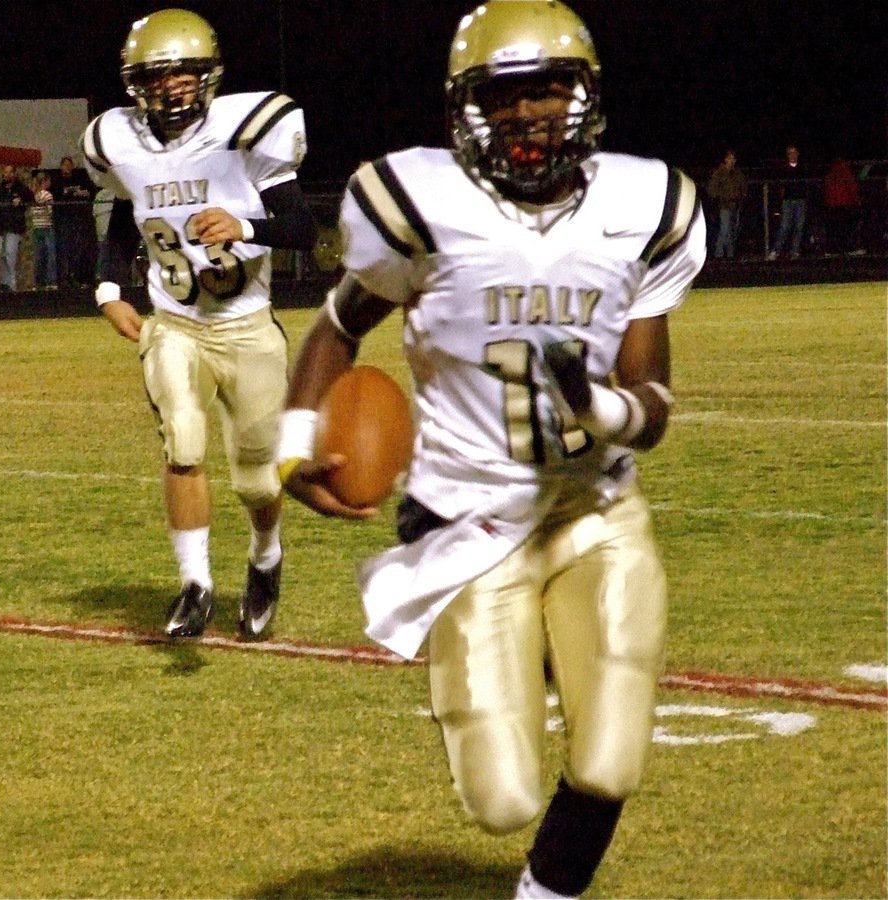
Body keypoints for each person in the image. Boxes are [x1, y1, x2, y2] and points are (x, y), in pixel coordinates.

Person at [275, 3, 705, 898]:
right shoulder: (420, 204)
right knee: (501, 796)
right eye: (504, 95)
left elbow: (655, 404)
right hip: (466, 519)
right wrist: (293, 444)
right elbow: (336, 325)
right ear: (465, 108)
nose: (528, 114)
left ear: (585, 96)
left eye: (549, 90)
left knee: (611, 758)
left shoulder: (645, 204)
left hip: (595, 510)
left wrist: (605, 410)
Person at [84, 8, 317, 640]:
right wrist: (108, 288)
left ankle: (265, 555)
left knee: (256, 479)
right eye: (157, 78)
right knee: (183, 445)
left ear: (207, 76)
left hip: (246, 326)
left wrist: (245, 228)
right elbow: (120, 217)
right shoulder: (119, 140)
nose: (171, 89)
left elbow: (304, 229)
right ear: (138, 86)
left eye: (183, 76)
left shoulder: (249, 130)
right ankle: (195, 583)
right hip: (176, 323)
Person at [49, 155, 94, 288]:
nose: (67, 168)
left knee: (77, 250)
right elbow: (57, 195)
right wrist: (70, 192)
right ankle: (63, 278)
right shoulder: (57, 181)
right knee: (63, 249)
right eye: (65, 165)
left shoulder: (80, 179)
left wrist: (81, 193)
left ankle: (77, 276)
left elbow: (89, 192)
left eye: (69, 165)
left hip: (78, 220)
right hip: (62, 219)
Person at [0, 164, 32, 291]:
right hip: (0, 230)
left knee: (10, 255)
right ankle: (4, 283)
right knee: (2, 256)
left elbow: (30, 198)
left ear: (14, 174)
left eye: (9, 172)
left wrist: (21, 201)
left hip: (14, 228)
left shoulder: (21, 188)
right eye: (5, 172)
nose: (7, 175)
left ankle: (11, 284)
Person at [768, 144, 807, 259]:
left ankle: (795, 251)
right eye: (790, 153)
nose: (792, 155)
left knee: (799, 226)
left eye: (794, 152)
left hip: (800, 200)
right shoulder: (783, 168)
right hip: (787, 200)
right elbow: (779, 184)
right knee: (785, 226)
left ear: (798, 154)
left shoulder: (802, 167)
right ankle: (775, 250)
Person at [706, 149, 746, 259]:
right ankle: (719, 254)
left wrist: (741, 196)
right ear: (725, 159)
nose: (731, 161)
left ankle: (730, 254)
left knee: (733, 230)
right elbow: (711, 190)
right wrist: (723, 196)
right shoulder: (719, 173)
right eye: (729, 158)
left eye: (733, 159)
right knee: (725, 229)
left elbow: (743, 187)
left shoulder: (738, 173)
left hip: (736, 205)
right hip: (724, 205)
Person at [822, 156, 863, 256]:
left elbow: (827, 190)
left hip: (833, 205)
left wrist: (828, 203)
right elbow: (852, 188)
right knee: (847, 228)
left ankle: (833, 250)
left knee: (834, 229)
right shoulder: (845, 172)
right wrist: (856, 201)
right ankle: (849, 248)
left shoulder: (831, 173)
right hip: (845, 204)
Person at [29, 170, 57, 289]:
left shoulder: (33, 195)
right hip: (46, 227)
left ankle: (38, 282)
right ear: (45, 181)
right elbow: (50, 212)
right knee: (50, 255)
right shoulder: (47, 195)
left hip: (36, 227)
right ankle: (50, 282)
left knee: (38, 256)